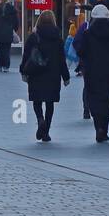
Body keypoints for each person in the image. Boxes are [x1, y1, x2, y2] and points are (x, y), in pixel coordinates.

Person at [73, 3, 109, 143]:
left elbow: (80, 51)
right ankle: (105, 128)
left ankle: (98, 127)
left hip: (92, 71)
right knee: (107, 99)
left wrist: (83, 63)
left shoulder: (88, 33)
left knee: (94, 98)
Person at [21, 9, 70, 143]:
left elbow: (26, 56)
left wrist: (23, 71)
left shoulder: (33, 37)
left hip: (36, 74)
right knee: (50, 103)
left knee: (37, 100)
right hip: (52, 75)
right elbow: (61, 59)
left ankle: (39, 119)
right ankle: (46, 131)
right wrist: (66, 76)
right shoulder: (58, 39)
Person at [0, 0, 19, 72]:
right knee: (7, 50)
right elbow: (16, 22)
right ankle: (6, 66)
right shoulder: (12, 9)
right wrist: (14, 29)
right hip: (8, 31)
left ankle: (0, 66)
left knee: (0, 49)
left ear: (0, 0)